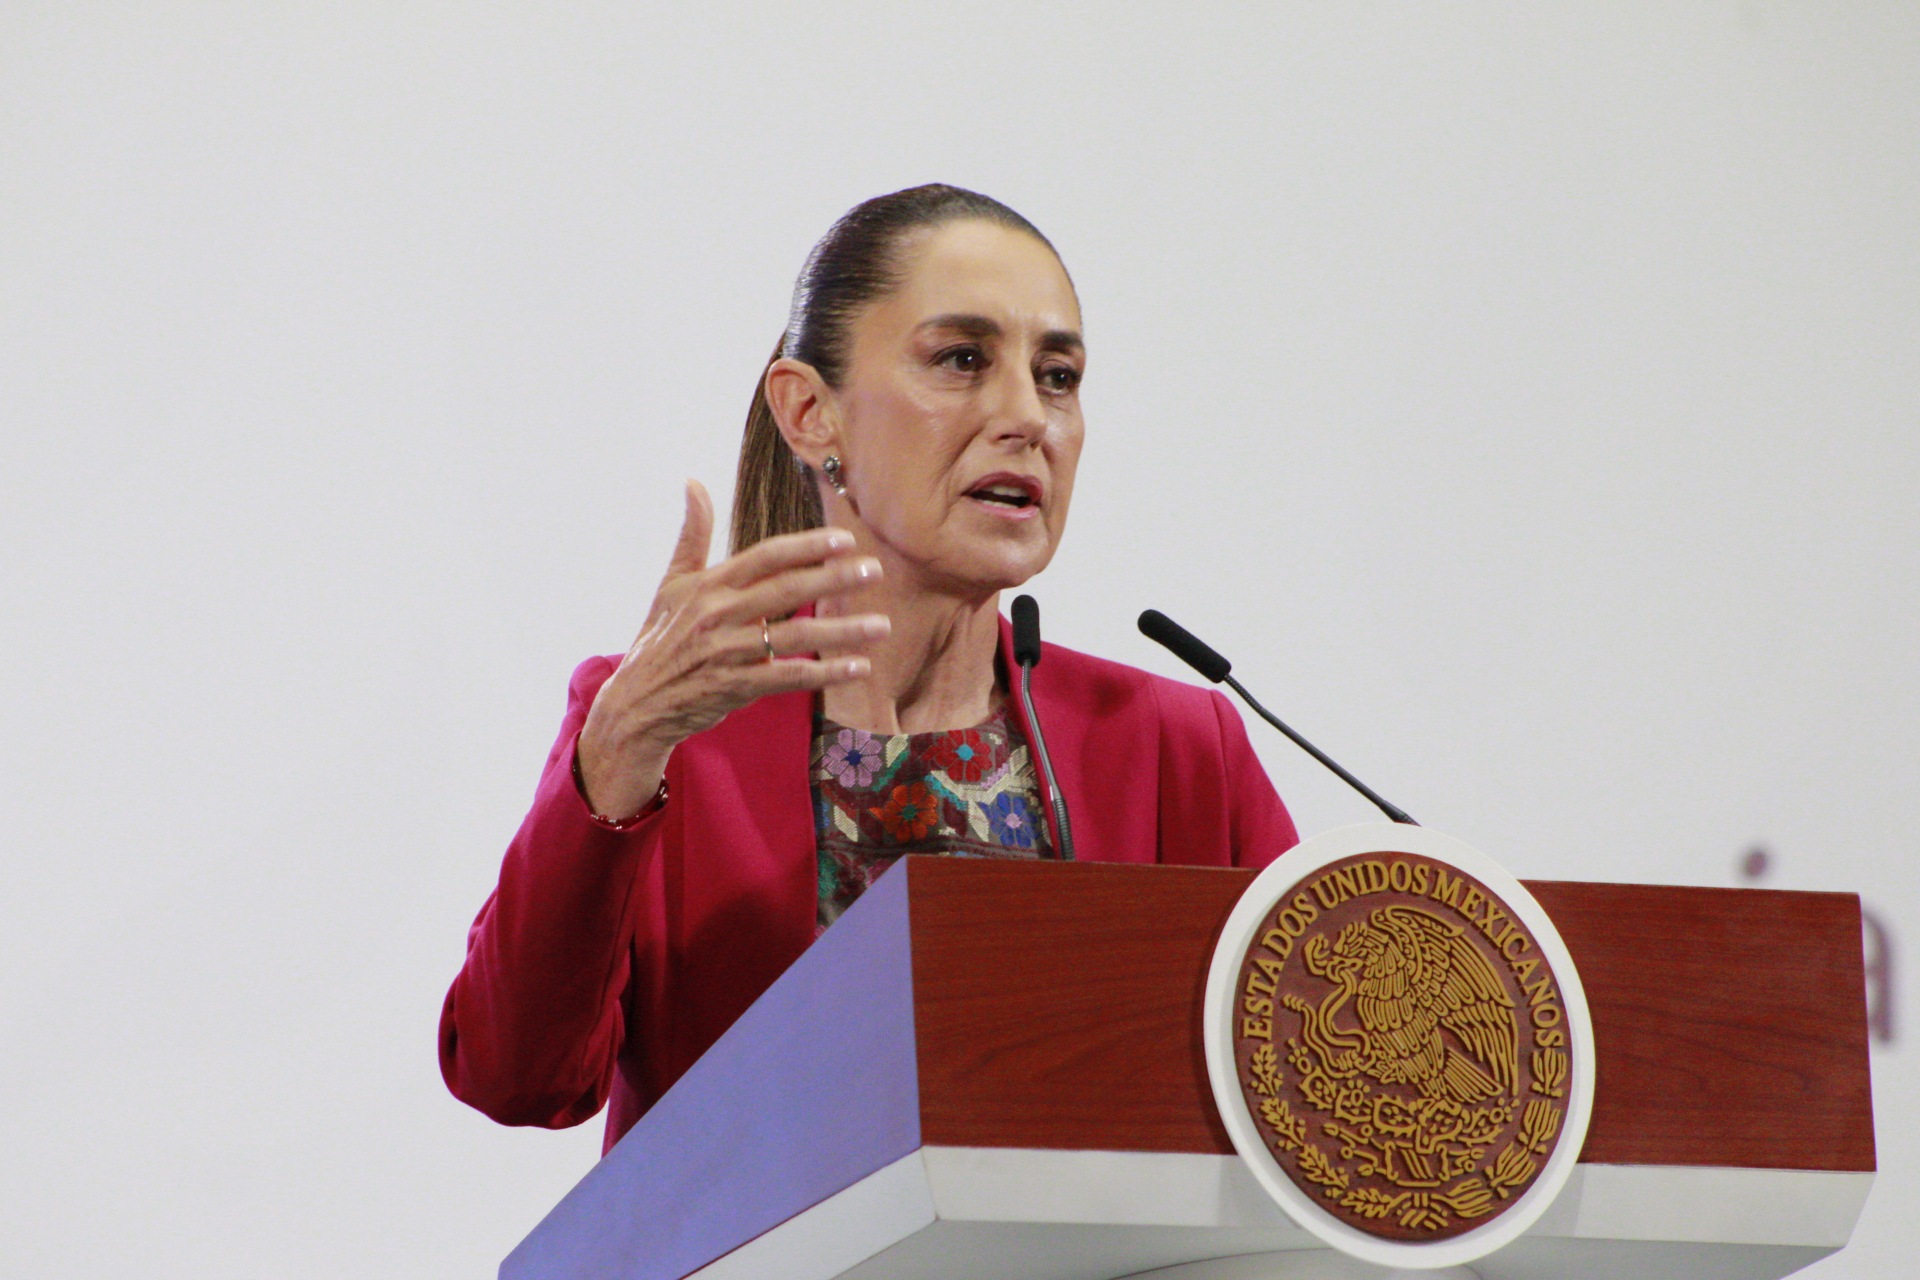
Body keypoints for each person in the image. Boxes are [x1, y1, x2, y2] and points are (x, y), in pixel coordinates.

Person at [439, 184, 1300, 1153]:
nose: (1028, 416)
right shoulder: (669, 733)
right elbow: (517, 1077)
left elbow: (1310, 1106)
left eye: (1057, 376)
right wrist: (619, 749)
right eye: (962, 359)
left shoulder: (1180, 748)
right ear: (811, 412)